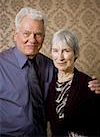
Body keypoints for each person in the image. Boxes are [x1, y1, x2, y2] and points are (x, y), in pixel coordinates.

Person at [0, 7, 100, 137]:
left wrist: (92, 85)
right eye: (26, 33)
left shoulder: (50, 65)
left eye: (38, 34)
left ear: (44, 37)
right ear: (15, 34)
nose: (32, 39)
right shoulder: (1, 64)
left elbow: (70, 83)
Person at [47, 29, 100, 137]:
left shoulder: (88, 84)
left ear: (75, 53)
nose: (60, 57)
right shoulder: (49, 82)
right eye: (56, 50)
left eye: (66, 51)